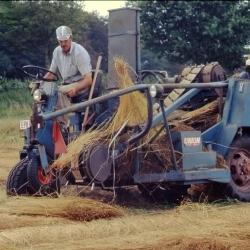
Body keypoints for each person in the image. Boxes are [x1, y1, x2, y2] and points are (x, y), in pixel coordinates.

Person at [45, 25, 92, 99]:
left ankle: (61, 110)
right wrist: (40, 84)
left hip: (80, 85)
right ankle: (43, 110)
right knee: (43, 92)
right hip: (66, 84)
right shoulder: (56, 52)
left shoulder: (79, 53)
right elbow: (51, 74)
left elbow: (88, 80)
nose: (63, 44)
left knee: (57, 92)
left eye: (65, 41)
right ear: (58, 41)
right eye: (61, 41)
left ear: (70, 38)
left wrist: (76, 88)